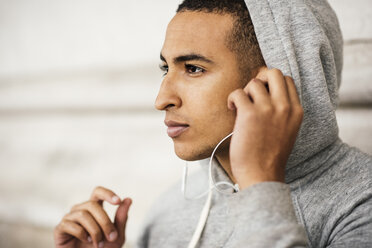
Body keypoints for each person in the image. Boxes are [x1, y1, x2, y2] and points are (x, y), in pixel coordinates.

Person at [54, 0, 372, 247]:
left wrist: (260, 183)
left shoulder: (362, 203)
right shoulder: (168, 211)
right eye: (167, 68)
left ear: (273, 82)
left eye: (193, 68)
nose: (161, 99)